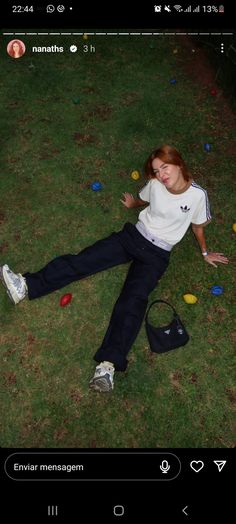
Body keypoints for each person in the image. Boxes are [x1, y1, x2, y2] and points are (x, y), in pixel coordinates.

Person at [0, 145, 229, 392]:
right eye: (156, 170)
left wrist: (205, 252)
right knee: (84, 260)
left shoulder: (197, 195)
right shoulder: (155, 184)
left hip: (157, 255)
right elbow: (146, 197)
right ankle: (25, 286)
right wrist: (133, 204)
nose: (161, 174)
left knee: (133, 300)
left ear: (179, 164)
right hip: (133, 237)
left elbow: (198, 227)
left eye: (165, 167)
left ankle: (108, 365)